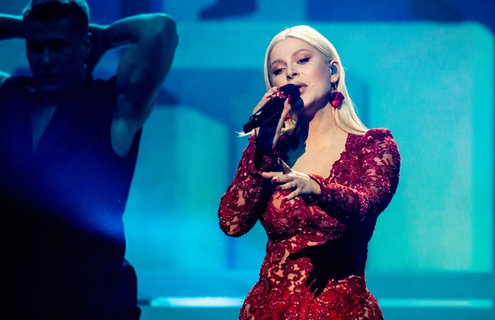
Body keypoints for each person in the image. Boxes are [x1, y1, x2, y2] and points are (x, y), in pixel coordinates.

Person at [0, 1, 178, 319]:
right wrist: (23, 27)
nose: (45, 59)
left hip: (94, 303)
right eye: (36, 47)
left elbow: (160, 30)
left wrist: (103, 38)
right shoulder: (10, 96)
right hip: (15, 298)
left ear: (84, 46)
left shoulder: (114, 104)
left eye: (58, 46)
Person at [218, 25, 401, 319]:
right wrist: (262, 148)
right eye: (279, 70)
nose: (290, 73)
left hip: (340, 312)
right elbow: (232, 223)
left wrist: (317, 188)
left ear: (333, 71)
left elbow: (366, 205)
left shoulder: (373, 145)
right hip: (267, 311)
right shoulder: (271, 151)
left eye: (302, 61)